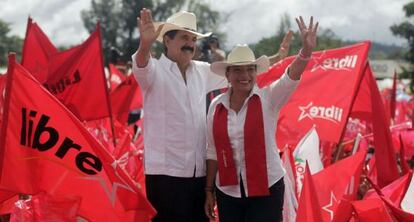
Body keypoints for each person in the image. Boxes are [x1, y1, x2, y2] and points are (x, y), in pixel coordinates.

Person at [204, 16, 318, 222]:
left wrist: (306, 53)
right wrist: (209, 189)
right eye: (237, 70)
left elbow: (290, 78)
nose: (244, 75)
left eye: (250, 69)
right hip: (227, 192)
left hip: (267, 189)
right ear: (228, 75)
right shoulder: (216, 106)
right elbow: (212, 151)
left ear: (256, 73)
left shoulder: (268, 99)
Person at [133, 9, 227, 222]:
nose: (190, 44)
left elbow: (239, 73)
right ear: (167, 40)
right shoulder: (153, 71)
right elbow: (140, 64)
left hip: (198, 174)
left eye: (193, 39)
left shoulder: (202, 70)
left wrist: (280, 58)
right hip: (165, 177)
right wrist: (145, 44)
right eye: (185, 37)